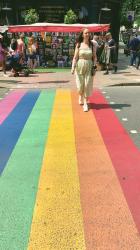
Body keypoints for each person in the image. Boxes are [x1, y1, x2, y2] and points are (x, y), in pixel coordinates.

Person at [71, 28, 96, 112]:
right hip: (80, 65)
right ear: (82, 35)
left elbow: (94, 57)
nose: (87, 34)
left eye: (88, 33)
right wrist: (73, 67)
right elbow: (75, 57)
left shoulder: (92, 45)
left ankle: (85, 103)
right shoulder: (78, 44)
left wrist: (95, 66)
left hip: (89, 65)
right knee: (80, 85)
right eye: (86, 33)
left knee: (87, 84)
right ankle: (80, 95)